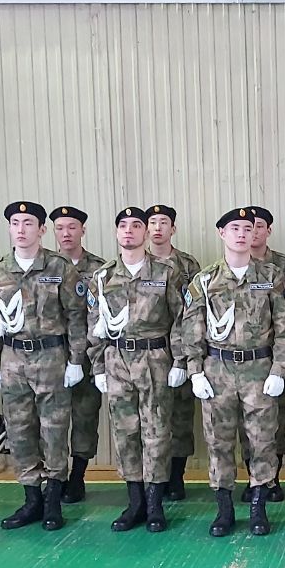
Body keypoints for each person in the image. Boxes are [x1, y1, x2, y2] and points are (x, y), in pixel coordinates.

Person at [180, 208, 285, 537]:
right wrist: (195, 371)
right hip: (217, 369)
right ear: (222, 233)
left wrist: (279, 370)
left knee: (262, 441)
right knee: (218, 442)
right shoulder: (204, 281)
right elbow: (190, 329)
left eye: (248, 229)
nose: (242, 234)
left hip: (259, 370)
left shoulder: (273, 277)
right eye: (235, 228)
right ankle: (224, 510)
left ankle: (259, 507)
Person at [0, 201, 88, 531]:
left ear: (41, 230)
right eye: (15, 223)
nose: (21, 229)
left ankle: (53, 499)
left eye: (28, 223)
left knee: (54, 431)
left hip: (51, 358)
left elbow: (77, 317)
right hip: (13, 360)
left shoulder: (60, 267)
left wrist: (76, 360)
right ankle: (31, 499)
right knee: (19, 431)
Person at [86, 207, 186, 532]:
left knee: (156, 431)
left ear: (145, 233)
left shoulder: (166, 273)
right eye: (123, 226)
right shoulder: (102, 277)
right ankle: (135, 503)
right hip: (117, 360)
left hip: (155, 358)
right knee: (125, 432)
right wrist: (98, 366)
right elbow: (93, 324)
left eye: (136, 225)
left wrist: (180, 361)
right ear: (117, 233)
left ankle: (155, 504)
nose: (129, 231)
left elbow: (181, 319)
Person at [244, 205, 285, 502]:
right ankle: (253, 478)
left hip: (274, 358)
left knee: (275, 418)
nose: (253, 232)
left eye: (259, 226)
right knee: (244, 423)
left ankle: (273, 477)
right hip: (241, 360)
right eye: (248, 226)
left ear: (268, 230)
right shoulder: (232, 266)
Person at [49, 206, 106, 504]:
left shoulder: (99, 269)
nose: (66, 233)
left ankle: (77, 476)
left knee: (84, 415)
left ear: (83, 230)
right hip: (51, 355)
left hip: (86, 355)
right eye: (60, 228)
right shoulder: (45, 265)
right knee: (50, 418)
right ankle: (54, 477)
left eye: (72, 227)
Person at [147, 204, 200, 501]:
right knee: (150, 418)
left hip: (179, 351)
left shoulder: (187, 265)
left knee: (180, 415)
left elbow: (195, 311)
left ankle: (176, 476)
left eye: (163, 222)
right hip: (145, 353)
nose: (157, 228)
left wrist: (186, 357)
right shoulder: (136, 264)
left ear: (173, 228)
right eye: (152, 222)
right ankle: (153, 477)